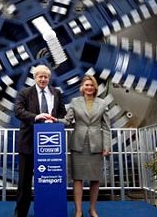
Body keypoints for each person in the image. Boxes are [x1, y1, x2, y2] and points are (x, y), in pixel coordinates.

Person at [13, 64, 67, 217]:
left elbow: (62, 112)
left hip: (49, 144)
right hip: (28, 142)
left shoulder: (56, 93)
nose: (43, 79)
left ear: (49, 78)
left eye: (46, 77)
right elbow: (18, 111)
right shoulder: (24, 93)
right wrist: (36, 117)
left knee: (50, 178)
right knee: (24, 181)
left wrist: (55, 120)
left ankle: (49, 210)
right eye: (40, 76)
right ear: (35, 77)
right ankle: (20, 213)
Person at [59, 75, 111, 217]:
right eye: (86, 85)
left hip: (96, 145)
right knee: (78, 179)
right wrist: (53, 120)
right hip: (78, 144)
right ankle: (78, 210)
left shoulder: (102, 103)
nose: (89, 87)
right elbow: (67, 120)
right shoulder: (74, 102)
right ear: (82, 87)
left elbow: (106, 127)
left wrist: (107, 146)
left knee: (95, 179)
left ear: (95, 88)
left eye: (91, 85)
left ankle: (92, 209)